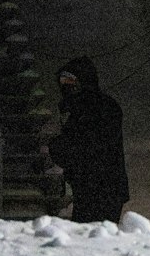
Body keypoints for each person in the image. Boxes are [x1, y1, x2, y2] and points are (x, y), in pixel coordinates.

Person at [46, 56, 130, 222]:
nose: (67, 87)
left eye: (71, 81)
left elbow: (88, 145)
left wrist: (58, 147)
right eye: (64, 81)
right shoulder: (77, 110)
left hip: (103, 188)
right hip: (89, 187)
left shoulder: (99, 108)